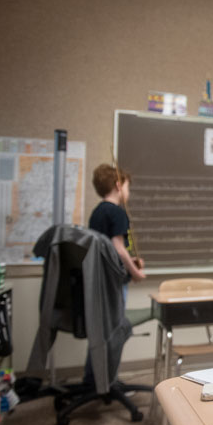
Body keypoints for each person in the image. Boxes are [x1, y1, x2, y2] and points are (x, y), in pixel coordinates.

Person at [84, 164, 145, 384]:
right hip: (114, 284)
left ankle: (93, 379)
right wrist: (135, 271)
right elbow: (118, 247)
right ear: (118, 185)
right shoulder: (118, 212)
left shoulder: (98, 212)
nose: (128, 193)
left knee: (100, 332)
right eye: (127, 187)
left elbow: (106, 249)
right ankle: (108, 381)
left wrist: (130, 261)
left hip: (98, 281)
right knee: (114, 332)